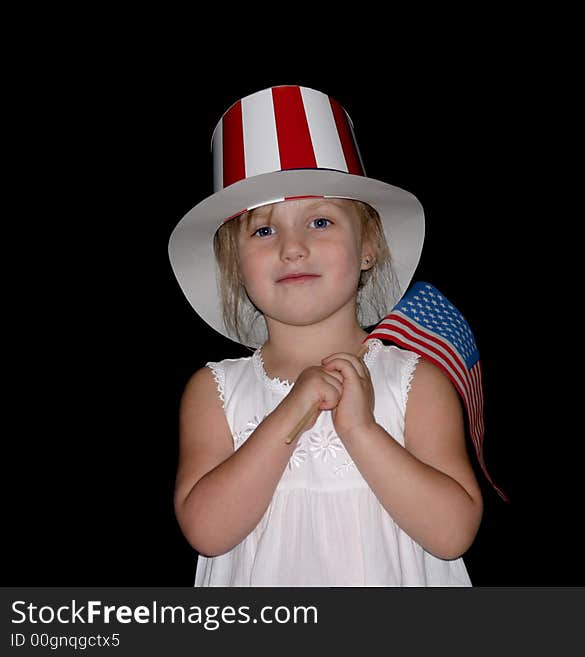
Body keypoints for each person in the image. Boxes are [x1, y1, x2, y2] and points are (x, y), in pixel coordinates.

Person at [168, 85, 482, 586]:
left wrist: (361, 430)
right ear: (235, 266)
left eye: (320, 221)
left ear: (368, 249)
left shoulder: (416, 382)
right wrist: (292, 411)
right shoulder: (214, 392)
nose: (293, 248)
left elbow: (452, 533)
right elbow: (207, 531)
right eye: (264, 231)